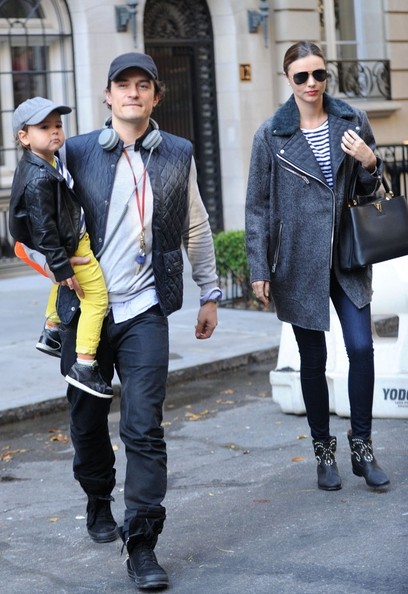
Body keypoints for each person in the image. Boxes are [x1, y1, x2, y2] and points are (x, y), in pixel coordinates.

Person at [25, 53, 221, 590]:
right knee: (87, 422)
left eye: (143, 85)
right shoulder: (76, 150)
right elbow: (39, 209)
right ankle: (97, 497)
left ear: (156, 96)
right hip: (85, 311)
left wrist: (209, 292)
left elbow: (196, 224)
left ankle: (142, 543)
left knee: (144, 426)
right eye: (123, 85)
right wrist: (54, 263)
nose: (133, 93)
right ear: (108, 96)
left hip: (144, 310)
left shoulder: (177, 152)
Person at [245, 41, 390, 492]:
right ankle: (324, 452)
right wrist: (258, 267)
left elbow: (369, 191)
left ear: (327, 76)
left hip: (346, 254)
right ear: (287, 79)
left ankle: (362, 447)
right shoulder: (271, 135)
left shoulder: (352, 120)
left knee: (361, 348)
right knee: (313, 358)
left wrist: (369, 161)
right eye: (302, 76)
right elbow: (257, 207)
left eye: (319, 74)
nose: (312, 83)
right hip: (296, 259)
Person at [9, 97, 113, 399]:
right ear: (24, 137)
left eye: (58, 125)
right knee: (96, 299)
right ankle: (84, 365)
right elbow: (43, 227)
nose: (55, 131)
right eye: (44, 127)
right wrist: (59, 265)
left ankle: (52, 329)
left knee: (67, 286)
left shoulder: (47, 162)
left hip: (68, 240)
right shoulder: (39, 178)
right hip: (70, 245)